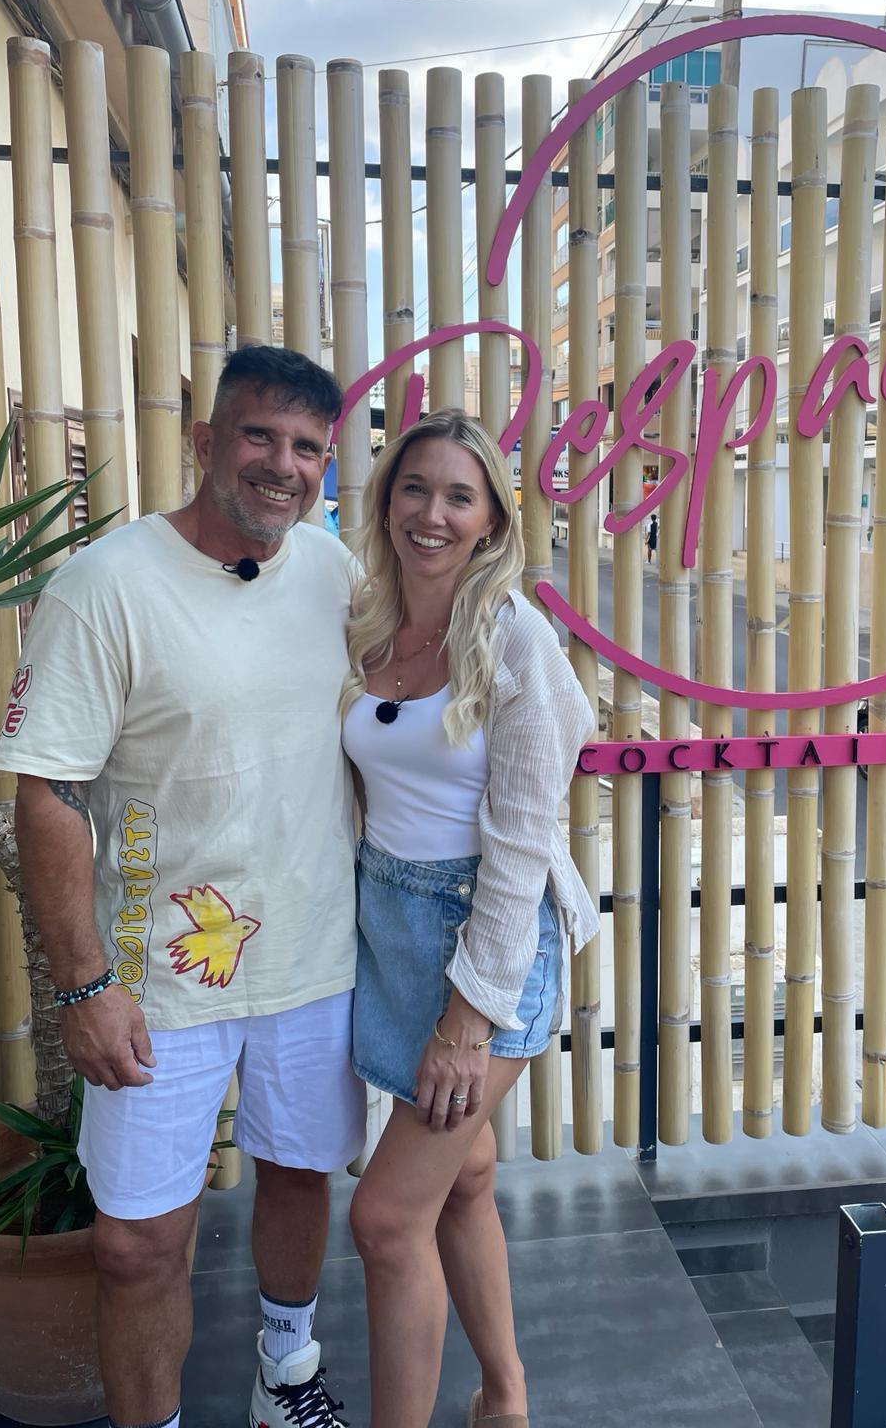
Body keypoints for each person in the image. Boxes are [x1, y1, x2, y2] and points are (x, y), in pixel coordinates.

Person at [0, 347, 364, 1428]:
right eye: (257, 436)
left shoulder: (333, 572)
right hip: (156, 980)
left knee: (299, 1176)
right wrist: (83, 985)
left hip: (312, 959)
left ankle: (283, 1373)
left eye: (305, 448)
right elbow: (50, 792)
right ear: (205, 442)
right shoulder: (105, 586)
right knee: (136, 1242)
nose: (280, 466)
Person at [340, 409, 599, 1428]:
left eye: (458, 495)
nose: (432, 513)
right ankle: (506, 1395)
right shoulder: (367, 620)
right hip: (386, 931)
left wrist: (468, 1017)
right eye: (415, 489)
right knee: (462, 1177)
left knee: (383, 1217)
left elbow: (523, 843)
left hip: (484, 945)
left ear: (491, 519)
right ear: (386, 501)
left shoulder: (518, 641)